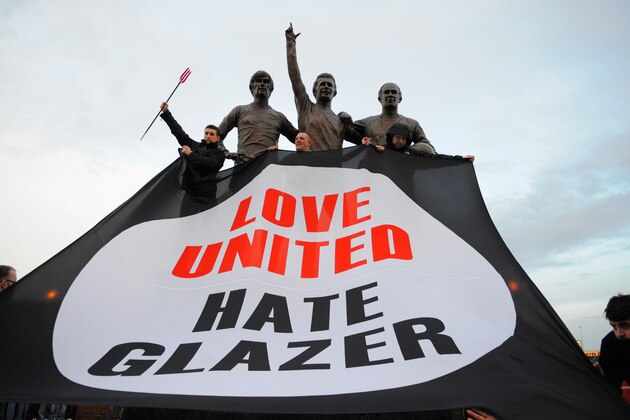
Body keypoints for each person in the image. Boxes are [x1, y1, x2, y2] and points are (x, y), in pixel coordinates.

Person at [285, 23, 351, 151]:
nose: (326, 87)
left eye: (329, 85)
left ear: (335, 92)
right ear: (315, 90)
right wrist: (290, 43)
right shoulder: (306, 108)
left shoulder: (340, 121)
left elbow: (362, 140)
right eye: (322, 84)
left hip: (332, 169)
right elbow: (295, 77)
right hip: (308, 167)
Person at [218, 71, 298, 164]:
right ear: (251, 88)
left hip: (267, 169)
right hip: (243, 168)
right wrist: (225, 152)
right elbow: (216, 136)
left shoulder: (279, 117)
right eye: (258, 81)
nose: (262, 84)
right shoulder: (239, 110)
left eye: (266, 82)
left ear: (271, 89)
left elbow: (300, 138)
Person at [160, 103, 225, 215]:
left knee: (208, 228)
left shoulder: (220, 154)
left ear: (217, 137)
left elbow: (209, 164)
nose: (208, 135)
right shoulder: (194, 146)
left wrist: (190, 154)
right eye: (206, 133)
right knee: (185, 225)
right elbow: (179, 133)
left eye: (211, 134)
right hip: (189, 195)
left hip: (208, 198)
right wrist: (166, 113)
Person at [345, 82, 435, 154]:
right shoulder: (368, 122)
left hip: (400, 171)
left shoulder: (412, 124)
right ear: (380, 98)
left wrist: (407, 152)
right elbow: (346, 131)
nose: (390, 95)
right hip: (374, 169)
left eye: (394, 92)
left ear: (400, 98)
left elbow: (427, 147)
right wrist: (342, 115)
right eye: (386, 92)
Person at [363, 122, 474, 161]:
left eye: (404, 138)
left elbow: (436, 159)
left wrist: (461, 159)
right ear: (391, 137)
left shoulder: (411, 153)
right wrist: (367, 148)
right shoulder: (380, 150)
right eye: (398, 137)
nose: (401, 141)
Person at [599, 293, 630, 396]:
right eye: (614, 327)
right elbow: (612, 387)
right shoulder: (610, 344)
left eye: (625, 326)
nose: (619, 333)